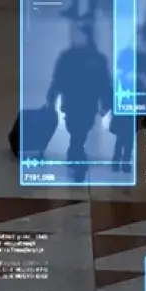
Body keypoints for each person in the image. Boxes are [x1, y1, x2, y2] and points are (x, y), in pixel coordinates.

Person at [44, 21, 113, 184]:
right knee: (76, 130)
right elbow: (58, 78)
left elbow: (104, 82)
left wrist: (106, 102)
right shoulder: (68, 56)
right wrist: (51, 97)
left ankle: (75, 154)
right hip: (73, 100)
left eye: (79, 35)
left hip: (87, 101)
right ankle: (76, 155)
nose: (76, 38)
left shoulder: (96, 59)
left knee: (80, 130)